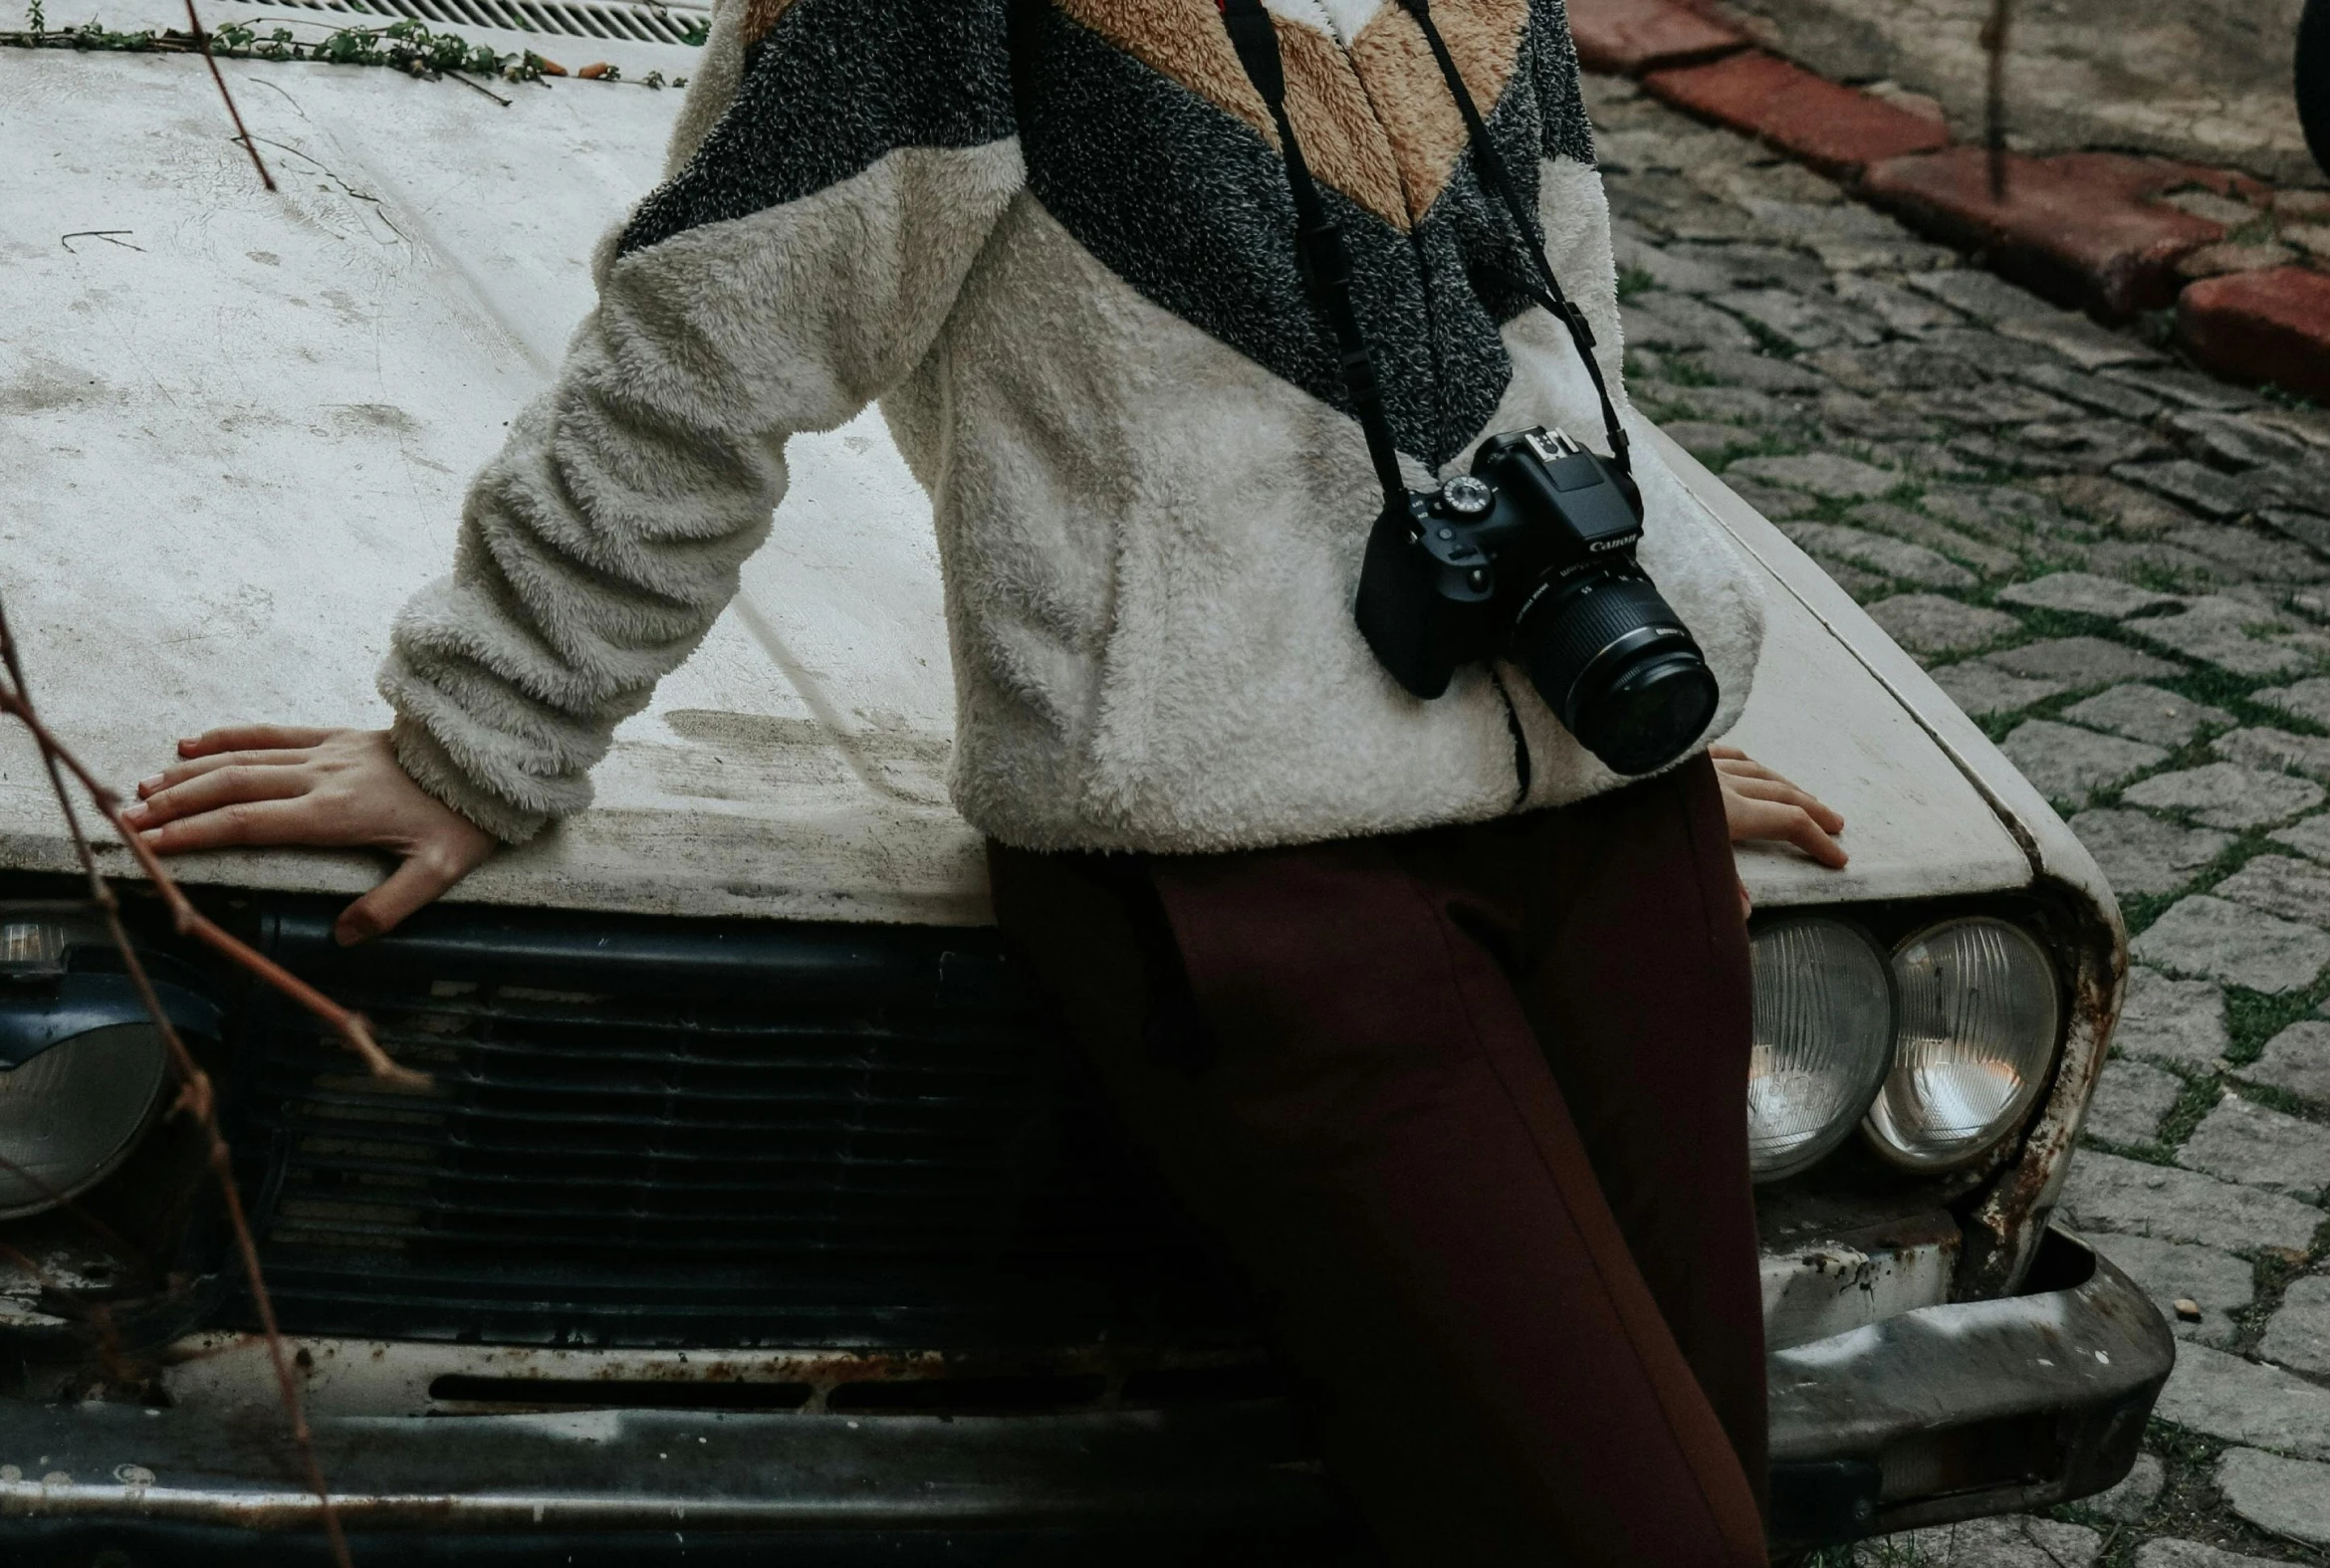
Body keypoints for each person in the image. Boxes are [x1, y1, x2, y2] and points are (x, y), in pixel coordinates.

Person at [124, 0, 1847, 1560]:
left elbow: (1560, 311)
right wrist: (482, 732)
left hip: (1623, 831)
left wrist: (1631, 676)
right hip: (1265, 876)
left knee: (1707, 1460)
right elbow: (713, 342)